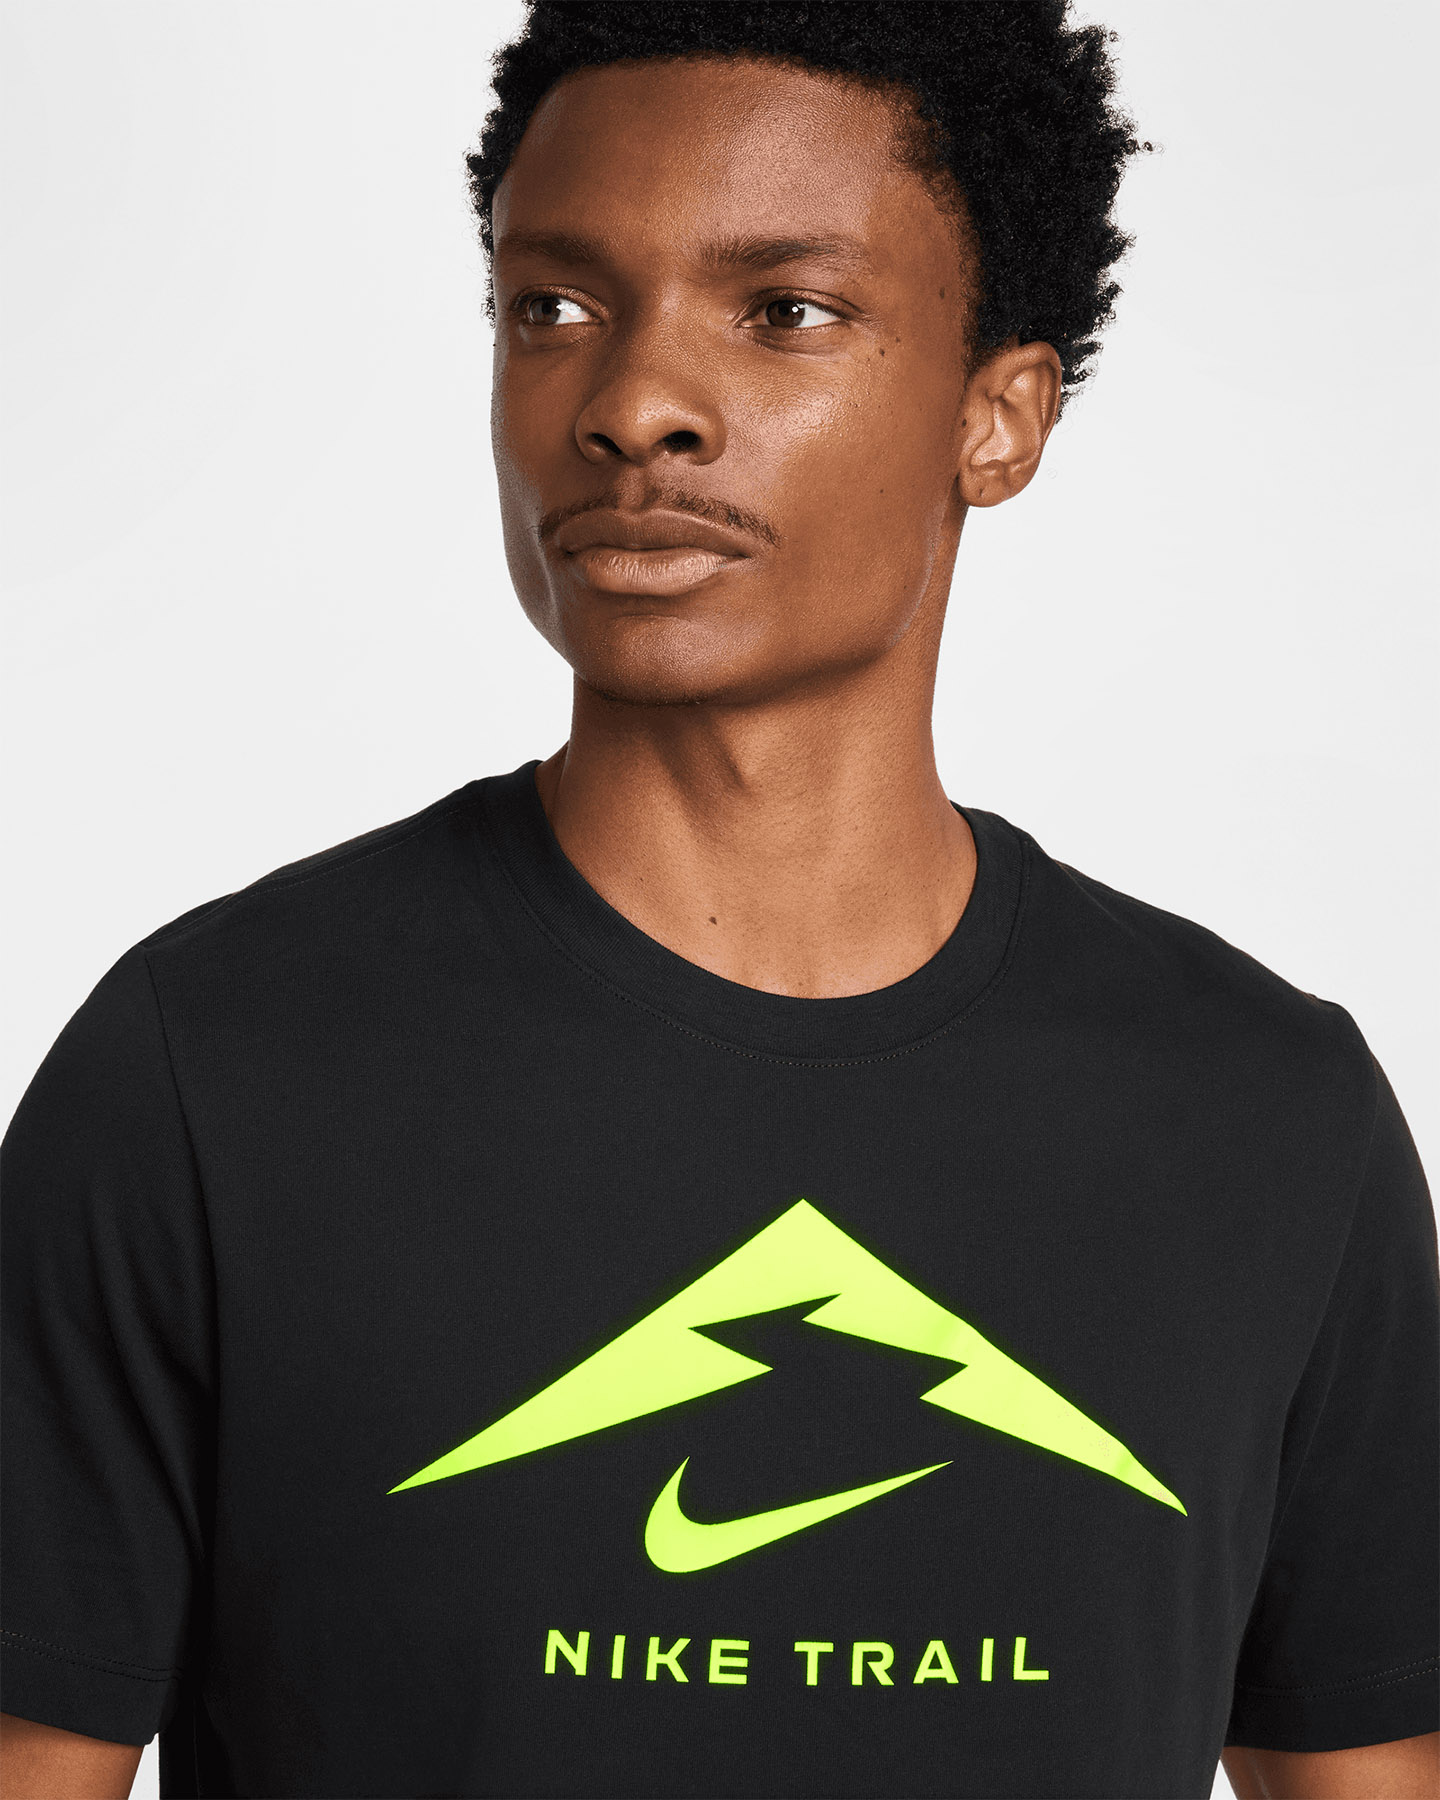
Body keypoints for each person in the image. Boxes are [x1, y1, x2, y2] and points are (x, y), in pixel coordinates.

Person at [2, 2, 1436, 1796]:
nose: (631, 408)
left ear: (1000, 417)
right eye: (553, 308)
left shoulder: (1268, 1122)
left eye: (786, 312)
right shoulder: (210, 1072)